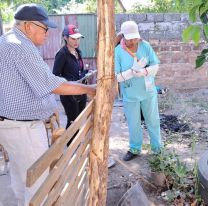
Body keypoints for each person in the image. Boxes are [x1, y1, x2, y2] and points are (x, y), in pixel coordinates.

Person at [0, 4, 96, 206]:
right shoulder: (20, 46)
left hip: (10, 126)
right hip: (23, 128)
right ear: (28, 26)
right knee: (39, 184)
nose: (47, 34)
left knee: (21, 176)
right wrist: (90, 89)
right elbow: (50, 84)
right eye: (44, 29)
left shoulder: (7, 42)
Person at [114, 21, 162, 161]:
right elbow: (116, 77)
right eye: (130, 38)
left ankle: (157, 148)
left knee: (153, 120)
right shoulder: (117, 51)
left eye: (135, 37)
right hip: (130, 95)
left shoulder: (145, 46)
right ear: (123, 36)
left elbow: (156, 64)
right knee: (133, 123)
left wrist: (145, 71)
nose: (134, 41)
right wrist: (131, 72)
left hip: (148, 92)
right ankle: (135, 148)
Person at [53, 24, 87, 129]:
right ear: (65, 38)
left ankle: (76, 144)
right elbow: (55, 75)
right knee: (73, 121)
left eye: (78, 38)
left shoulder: (78, 52)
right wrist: (69, 82)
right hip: (68, 94)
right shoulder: (62, 54)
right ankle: (70, 143)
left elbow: (78, 70)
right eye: (73, 38)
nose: (76, 41)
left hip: (81, 91)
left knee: (80, 119)